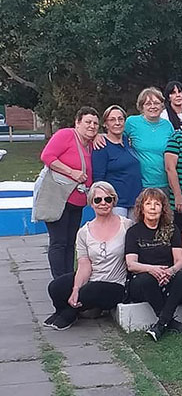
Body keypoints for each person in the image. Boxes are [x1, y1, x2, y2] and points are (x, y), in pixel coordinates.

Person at [45, 182, 133, 330]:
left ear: (114, 201)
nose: (103, 203)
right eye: (98, 200)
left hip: (116, 284)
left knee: (90, 291)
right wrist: (76, 288)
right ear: (91, 203)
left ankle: (70, 313)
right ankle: (62, 310)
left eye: (108, 199)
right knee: (56, 287)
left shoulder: (127, 226)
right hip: (93, 278)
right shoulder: (84, 232)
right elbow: (84, 265)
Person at [125, 188, 182, 341]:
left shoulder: (172, 229)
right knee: (146, 279)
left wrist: (170, 271)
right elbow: (131, 264)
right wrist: (152, 270)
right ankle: (169, 322)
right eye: (148, 204)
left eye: (157, 204)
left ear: (163, 209)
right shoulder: (133, 232)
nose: (153, 208)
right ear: (142, 209)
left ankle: (161, 324)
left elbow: (180, 260)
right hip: (143, 279)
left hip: (167, 276)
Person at [40, 106, 99, 279]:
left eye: (95, 123)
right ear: (77, 122)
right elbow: (47, 156)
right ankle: (59, 280)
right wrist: (71, 172)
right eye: (88, 122)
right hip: (59, 198)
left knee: (70, 242)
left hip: (77, 202)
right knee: (59, 242)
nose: (92, 126)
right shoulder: (65, 135)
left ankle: (68, 279)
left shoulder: (91, 144)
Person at [92, 105, 142, 218]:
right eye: (112, 120)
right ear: (105, 124)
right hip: (117, 204)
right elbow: (98, 179)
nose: (117, 123)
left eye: (120, 119)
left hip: (136, 201)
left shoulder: (127, 141)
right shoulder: (101, 146)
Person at [123, 87, 174, 192]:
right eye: (148, 104)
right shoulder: (131, 122)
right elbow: (115, 138)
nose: (153, 106)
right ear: (142, 107)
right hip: (139, 184)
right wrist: (99, 137)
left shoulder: (167, 125)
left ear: (162, 105)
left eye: (156, 103)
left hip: (164, 184)